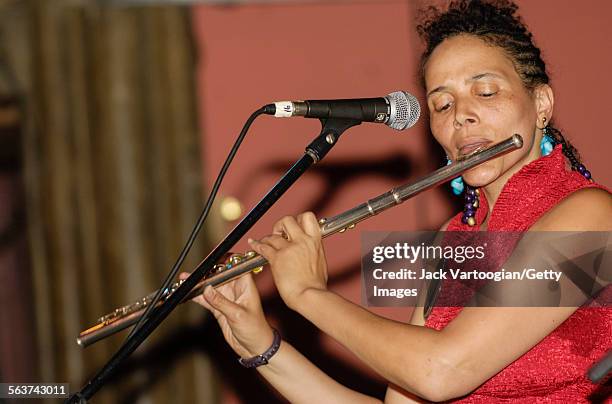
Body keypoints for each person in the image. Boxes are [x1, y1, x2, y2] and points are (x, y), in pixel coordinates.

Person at [183, 0, 611, 402]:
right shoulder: (453, 240)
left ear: (541, 104)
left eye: (485, 92)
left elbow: (443, 370)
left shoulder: (590, 218)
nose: (460, 115)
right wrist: (264, 346)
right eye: (442, 104)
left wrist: (309, 294)